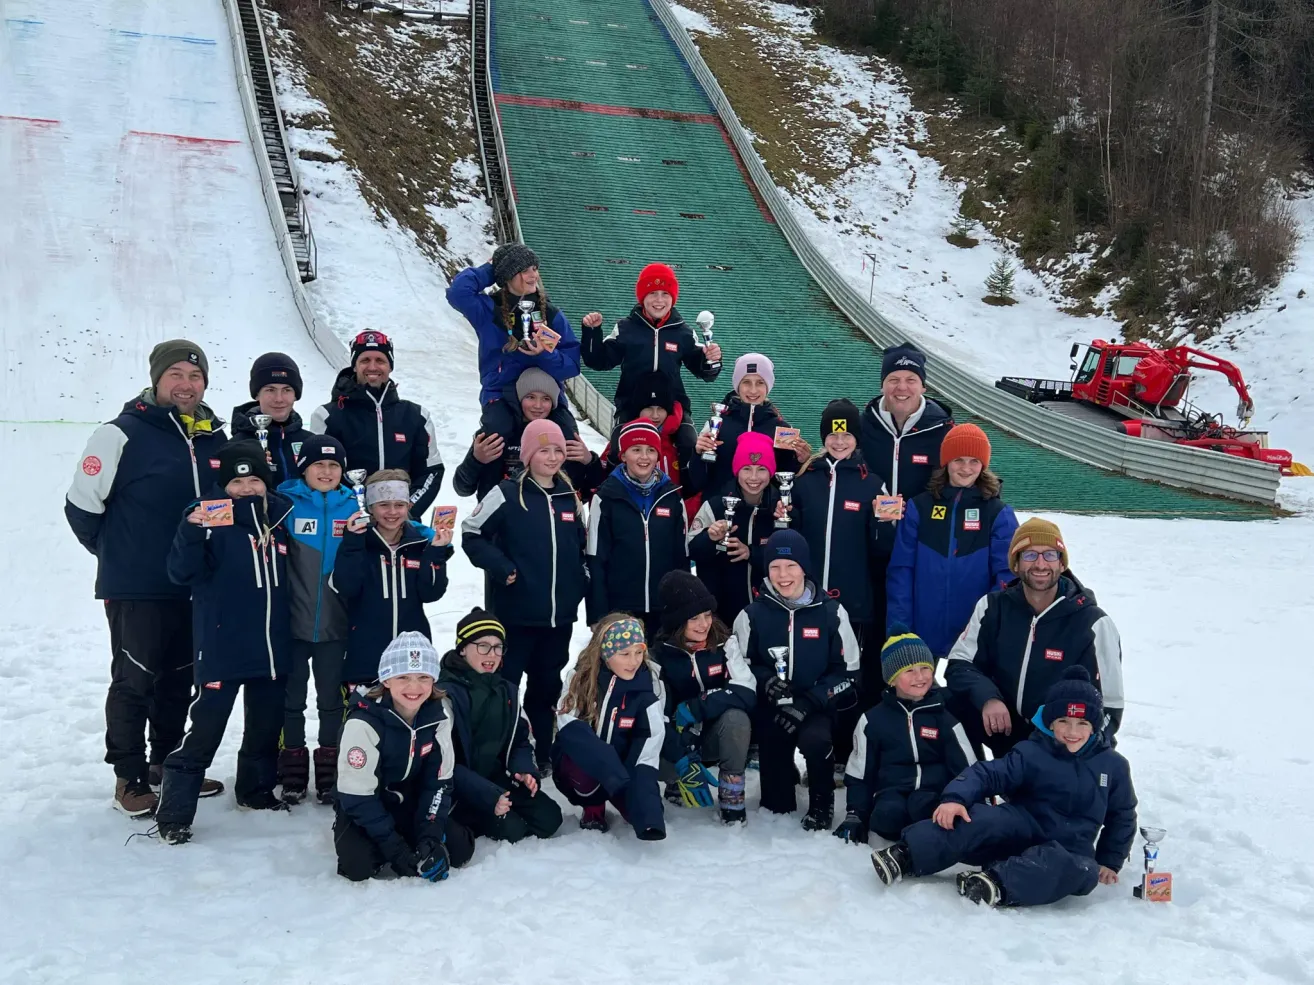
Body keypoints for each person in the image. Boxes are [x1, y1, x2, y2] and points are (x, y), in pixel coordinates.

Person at [65, 339, 227, 816]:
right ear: (157, 379)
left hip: (193, 584)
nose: (186, 384)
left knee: (181, 679)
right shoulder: (121, 434)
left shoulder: (214, 438)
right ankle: (129, 776)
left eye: (195, 376)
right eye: (176, 374)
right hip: (137, 586)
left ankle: (169, 764)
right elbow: (81, 506)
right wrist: (118, 554)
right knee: (135, 678)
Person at [870, 667, 1137, 908]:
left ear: (1094, 726)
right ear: (1050, 722)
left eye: (1082, 723)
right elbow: (988, 774)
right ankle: (907, 854)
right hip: (1023, 827)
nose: (1072, 731)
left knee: (1080, 871)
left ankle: (994, 884)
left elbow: (1122, 815)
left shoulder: (1112, 766)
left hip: (1069, 848)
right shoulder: (1032, 752)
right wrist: (956, 798)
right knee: (979, 817)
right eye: (1064, 722)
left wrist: (1109, 860)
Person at [154, 441, 295, 844]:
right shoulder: (208, 518)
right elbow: (182, 574)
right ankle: (175, 812)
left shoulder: (280, 517)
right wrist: (191, 530)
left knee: (265, 727)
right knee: (205, 729)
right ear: (224, 483)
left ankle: (255, 791)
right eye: (237, 480)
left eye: (254, 479)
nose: (247, 487)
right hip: (223, 645)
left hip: (271, 645)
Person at [461, 419, 588, 774]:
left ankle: (544, 750)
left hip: (558, 616)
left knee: (547, 686)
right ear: (528, 454)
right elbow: (472, 533)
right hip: (515, 615)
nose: (552, 457)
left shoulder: (569, 494)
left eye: (558, 450)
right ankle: (504, 748)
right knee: (507, 685)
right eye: (543, 450)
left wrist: (581, 581)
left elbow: (581, 545)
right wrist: (501, 567)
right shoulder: (505, 492)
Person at [944, 518, 1125, 757]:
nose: (1040, 564)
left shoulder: (1092, 622)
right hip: (1004, 726)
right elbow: (960, 664)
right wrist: (988, 698)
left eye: (1050, 555)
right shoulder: (993, 607)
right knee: (942, 704)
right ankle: (970, 783)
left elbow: (1109, 707)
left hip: (1056, 740)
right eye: (1029, 555)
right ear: (1016, 564)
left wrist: (1075, 749)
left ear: (1062, 564)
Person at [732, 530, 860, 829]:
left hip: (815, 706)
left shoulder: (831, 612)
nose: (783, 574)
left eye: (791, 565)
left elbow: (850, 673)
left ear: (804, 567)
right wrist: (765, 680)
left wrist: (808, 702)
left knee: (816, 741)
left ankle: (821, 802)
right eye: (775, 566)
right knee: (777, 808)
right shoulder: (752, 615)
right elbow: (741, 665)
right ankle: (782, 778)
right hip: (773, 709)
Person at [333, 632, 474, 882]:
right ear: (386, 680)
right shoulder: (363, 722)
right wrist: (396, 850)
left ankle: (415, 839)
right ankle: (382, 841)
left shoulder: (438, 715)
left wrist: (430, 835)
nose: (414, 687)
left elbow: (439, 782)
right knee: (358, 866)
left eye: (423, 677)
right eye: (403, 677)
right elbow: (357, 795)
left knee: (460, 849)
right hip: (365, 804)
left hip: (409, 801)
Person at [886, 423, 1018, 659]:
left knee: (970, 692)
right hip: (923, 626)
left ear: (983, 465)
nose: (966, 468)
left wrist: (990, 623)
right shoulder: (920, 506)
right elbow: (901, 570)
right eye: (958, 460)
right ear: (946, 462)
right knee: (918, 693)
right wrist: (900, 625)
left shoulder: (997, 512)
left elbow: (1008, 575)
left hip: (974, 630)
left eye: (974, 461)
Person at [788, 398, 888, 708]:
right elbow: (793, 534)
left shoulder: (872, 484)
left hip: (854, 600)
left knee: (848, 672)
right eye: (833, 435)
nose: (840, 441)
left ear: (856, 438)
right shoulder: (805, 480)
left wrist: (886, 524)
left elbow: (882, 549)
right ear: (824, 437)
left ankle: (847, 740)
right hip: (809, 597)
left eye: (846, 435)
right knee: (810, 665)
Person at [833, 628, 975, 845]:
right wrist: (855, 814)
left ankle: (922, 842)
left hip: (934, 793)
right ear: (891, 678)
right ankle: (908, 838)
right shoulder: (873, 720)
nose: (920, 677)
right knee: (886, 817)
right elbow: (860, 772)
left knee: (925, 809)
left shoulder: (944, 717)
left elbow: (966, 767)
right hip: (892, 792)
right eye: (909, 671)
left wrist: (973, 800)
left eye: (925, 668)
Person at [438, 609, 563, 845]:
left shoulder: (507, 690)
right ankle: (468, 818)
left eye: (497, 647)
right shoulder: (446, 694)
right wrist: (486, 795)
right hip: (459, 788)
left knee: (549, 819)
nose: (491, 654)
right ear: (463, 648)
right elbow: (443, 762)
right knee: (513, 830)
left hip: (496, 779)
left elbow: (520, 740)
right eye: (483, 646)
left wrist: (524, 769)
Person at [277, 436, 356, 804]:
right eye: (318, 465)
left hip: (334, 626)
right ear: (303, 468)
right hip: (291, 623)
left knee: (331, 700)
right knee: (291, 699)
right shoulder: (284, 502)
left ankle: (330, 763)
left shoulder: (353, 505)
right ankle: (291, 762)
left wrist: (434, 537)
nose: (326, 472)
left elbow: (400, 525)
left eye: (333, 466)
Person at [330, 469, 454, 689]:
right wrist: (352, 544)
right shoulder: (359, 543)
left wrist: (435, 553)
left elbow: (431, 593)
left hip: (411, 656)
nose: (392, 512)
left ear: (408, 506)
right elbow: (346, 587)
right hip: (366, 655)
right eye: (384, 505)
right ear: (370, 508)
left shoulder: (419, 545)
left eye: (399, 505)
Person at [651, 572, 756, 824]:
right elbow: (656, 715)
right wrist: (681, 753)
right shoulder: (658, 657)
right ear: (676, 622)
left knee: (737, 719)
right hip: (676, 745)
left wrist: (701, 705)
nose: (703, 624)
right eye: (694, 618)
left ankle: (732, 795)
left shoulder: (724, 644)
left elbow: (747, 691)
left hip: (713, 737)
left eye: (707, 615)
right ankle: (677, 781)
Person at [552, 616, 666, 840]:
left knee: (642, 811)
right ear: (605, 653)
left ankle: (628, 801)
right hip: (593, 768)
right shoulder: (579, 679)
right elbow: (568, 726)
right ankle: (593, 807)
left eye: (638, 652)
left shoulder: (649, 686)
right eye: (624, 654)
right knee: (578, 750)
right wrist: (611, 771)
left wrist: (647, 812)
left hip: (624, 772)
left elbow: (649, 744)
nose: (633, 661)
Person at [309, 330, 444, 517]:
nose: (372, 367)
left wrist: (409, 507)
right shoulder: (327, 416)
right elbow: (318, 472)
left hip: (401, 523)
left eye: (380, 360)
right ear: (354, 366)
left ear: (390, 366)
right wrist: (351, 510)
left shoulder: (416, 416)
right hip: (347, 521)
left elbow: (431, 471)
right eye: (365, 360)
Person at [445, 243, 583, 405]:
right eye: (524, 271)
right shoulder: (488, 310)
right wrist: (492, 269)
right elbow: (458, 292)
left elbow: (571, 367)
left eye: (535, 268)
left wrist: (544, 354)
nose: (534, 275)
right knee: (498, 430)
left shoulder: (550, 314)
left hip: (545, 398)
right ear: (508, 276)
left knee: (558, 431)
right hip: (500, 395)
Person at [586, 418, 688, 634]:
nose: (644, 457)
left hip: (664, 609)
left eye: (651, 450)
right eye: (636, 449)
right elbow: (595, 558)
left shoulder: (672, 497)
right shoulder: (606, 498)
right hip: (620, 610)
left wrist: (683, 608)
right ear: (623, 455)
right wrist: (597, 614)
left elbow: (682, 557)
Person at [579, 262, 721, 415]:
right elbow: (598, 361)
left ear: (673, 298)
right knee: (621, 438)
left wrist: (711, 359)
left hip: (672, 407)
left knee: (687, 438)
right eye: (652, 293)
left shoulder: (683, 333)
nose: (659, 300)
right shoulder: (625, 329)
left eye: (665, 294)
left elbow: (705, 373)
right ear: (642, 297)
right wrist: (592, 332)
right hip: (632, 407)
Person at [452, 367, 601, 503]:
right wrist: (475, 460)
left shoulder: (563, 434)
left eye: (546, 399)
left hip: (547, 523)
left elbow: (587, 493)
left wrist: (590, 462)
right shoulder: (495, 433)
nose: (538, 405)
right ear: (519, 398)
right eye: (530, 397)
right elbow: (462, 489)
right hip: (500, 524)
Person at [687, 430, 782, 626]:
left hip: (770, 613)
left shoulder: (781, 510)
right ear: (736, 470)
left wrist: (752, 553)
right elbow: (691, 550)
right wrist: (710, 538)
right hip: (721, 617)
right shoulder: (715, 506)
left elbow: (794, 557)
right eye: (747, 468)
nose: (754, 477)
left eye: (761, 469)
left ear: (772, 472)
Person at [687, 353, 807, 498]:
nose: (753, 390)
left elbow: (786, 483)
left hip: (762, 515)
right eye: (746, 382)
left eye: (760, 383)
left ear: (769, 385)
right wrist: (698, 454)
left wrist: (800, 462)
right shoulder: (717, 424)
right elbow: (696, 482)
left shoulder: (782, 430)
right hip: (719, 512)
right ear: (737, 385)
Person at [858, 343, 953, 503]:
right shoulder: (863, 425)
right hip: (871, 524)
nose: (902, 387)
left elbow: (968, 476)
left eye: (911, 380)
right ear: (882, 386)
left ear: (923, 387)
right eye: (893, 380)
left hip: (920, 525)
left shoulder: (943, 431)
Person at [601, 370, 701, 513]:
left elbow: (696, 490)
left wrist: (684, 519)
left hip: (672, 520)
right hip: (630, 520)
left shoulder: (682, 442)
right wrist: (589, 461)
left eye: (661, 408)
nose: (655, 415)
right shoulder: (623, 439)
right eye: (648, 408)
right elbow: (600, 485)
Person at [230, 352, 313, 485]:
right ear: (257, 395)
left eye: (286, 390)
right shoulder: (236, 446)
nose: (279, 399)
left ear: (295, 395)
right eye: (270, 390)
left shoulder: (311, 442)